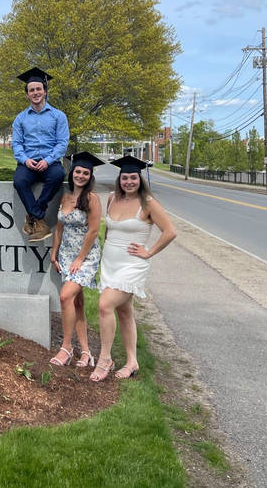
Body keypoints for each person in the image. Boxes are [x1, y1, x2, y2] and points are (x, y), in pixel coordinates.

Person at [91, 156, 176, 381]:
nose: (129, 181)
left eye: (133, 177)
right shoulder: (111, 199)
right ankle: (132, 362)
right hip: (111, 263)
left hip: (132, 265)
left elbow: (170, 232)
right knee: (125, 312)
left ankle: (105, 358)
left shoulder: (147, 203)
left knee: (104, 305)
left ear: (140, 179)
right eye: (125, 177)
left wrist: (149, 252)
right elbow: (109, 231)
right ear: (120, 179)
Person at [49, 151, 104, 368]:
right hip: (66, 254)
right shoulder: (65, 197)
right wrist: (54, 252)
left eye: (85, 173)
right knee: (77, 302)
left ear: (90, 177)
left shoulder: (92, 199)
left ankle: (66, 347)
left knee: (65, 297)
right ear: (72, 173)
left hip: (85, 255)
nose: (81, 175)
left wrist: (80, 259)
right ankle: (86, 352)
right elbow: (59, 228)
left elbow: (93, 231)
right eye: (78, 171)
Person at [12, 67, 70, 242]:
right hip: (28, 162)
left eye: (38, 89)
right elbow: (16, 144)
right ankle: (39, 218)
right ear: (27, 95)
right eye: (32, 90)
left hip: (50, 162)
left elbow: (62, 143)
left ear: (45, 91)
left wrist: (48, 160)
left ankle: (33, 216)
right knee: (19, 181)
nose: (35, 93)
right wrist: (25, 160)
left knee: (58, 175)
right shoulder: (20, 119)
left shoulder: (58, 116)